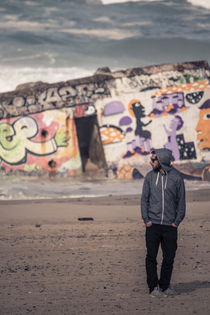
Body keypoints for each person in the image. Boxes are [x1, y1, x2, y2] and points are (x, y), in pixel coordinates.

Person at [141, 148, 186, 297]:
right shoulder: (149, 177)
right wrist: (146, 219)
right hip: (152, 225)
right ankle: (154, 288)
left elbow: (181, 202)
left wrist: (176, 221)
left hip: (170, 226)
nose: (151, 161)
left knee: (169, 258)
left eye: (153, 159)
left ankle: (165, 286)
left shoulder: (177, 178)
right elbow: (144, 200)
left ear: (161, 160)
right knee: (151, 258)